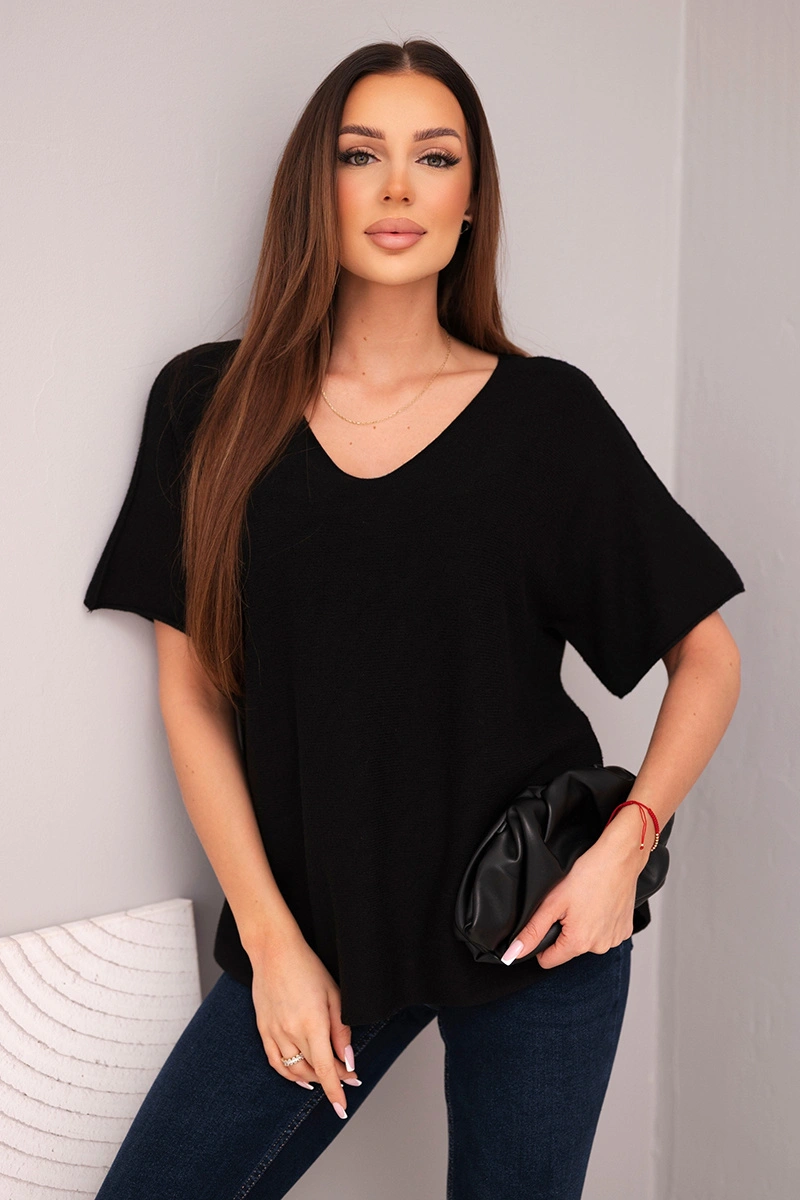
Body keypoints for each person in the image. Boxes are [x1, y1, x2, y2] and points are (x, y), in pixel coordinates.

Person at [83, 38, 745, 1200]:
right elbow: (189, 694)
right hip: (314, 925)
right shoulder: (207, 404)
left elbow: (707, 658)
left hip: (533, 913)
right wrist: (272, 946)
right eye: (360, 155)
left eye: (434, 157)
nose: (397, 187)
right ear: (316, 186)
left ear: (469, 199)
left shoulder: (545, 416)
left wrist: (623, 850)